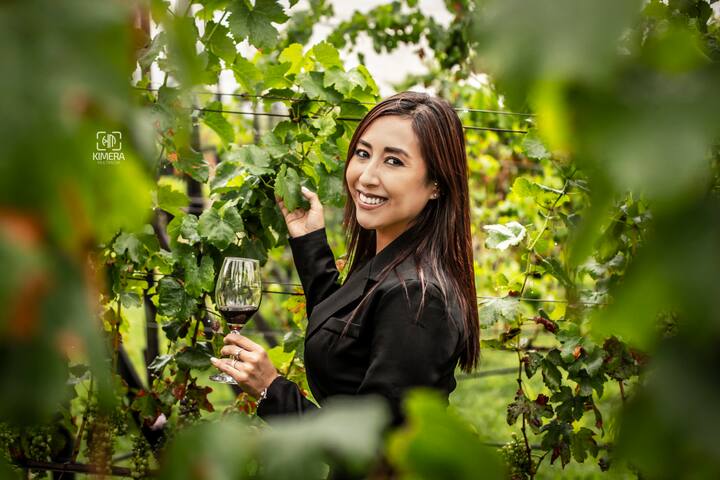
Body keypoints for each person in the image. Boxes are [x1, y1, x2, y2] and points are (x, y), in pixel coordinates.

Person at [210, 91, 480, 429]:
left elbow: (371, 446)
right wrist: (309, 242)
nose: (366, 176)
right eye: (363, 153)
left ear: (436, 184)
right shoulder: (391, 263)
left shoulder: (417, 298)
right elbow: (347, 342)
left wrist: (271, 389)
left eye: (394, 161)